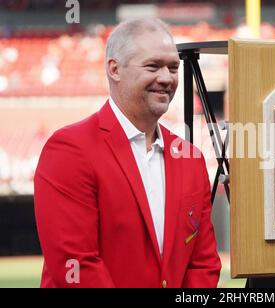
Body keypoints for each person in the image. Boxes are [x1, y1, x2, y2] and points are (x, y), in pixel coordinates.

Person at [34, 18, 221, 288]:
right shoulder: (69, 150)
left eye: (173, 68)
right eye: (153, 66)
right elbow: (75, 265)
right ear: (115, 69)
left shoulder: (190, 158)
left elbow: (203, 262)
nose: (167, 78)